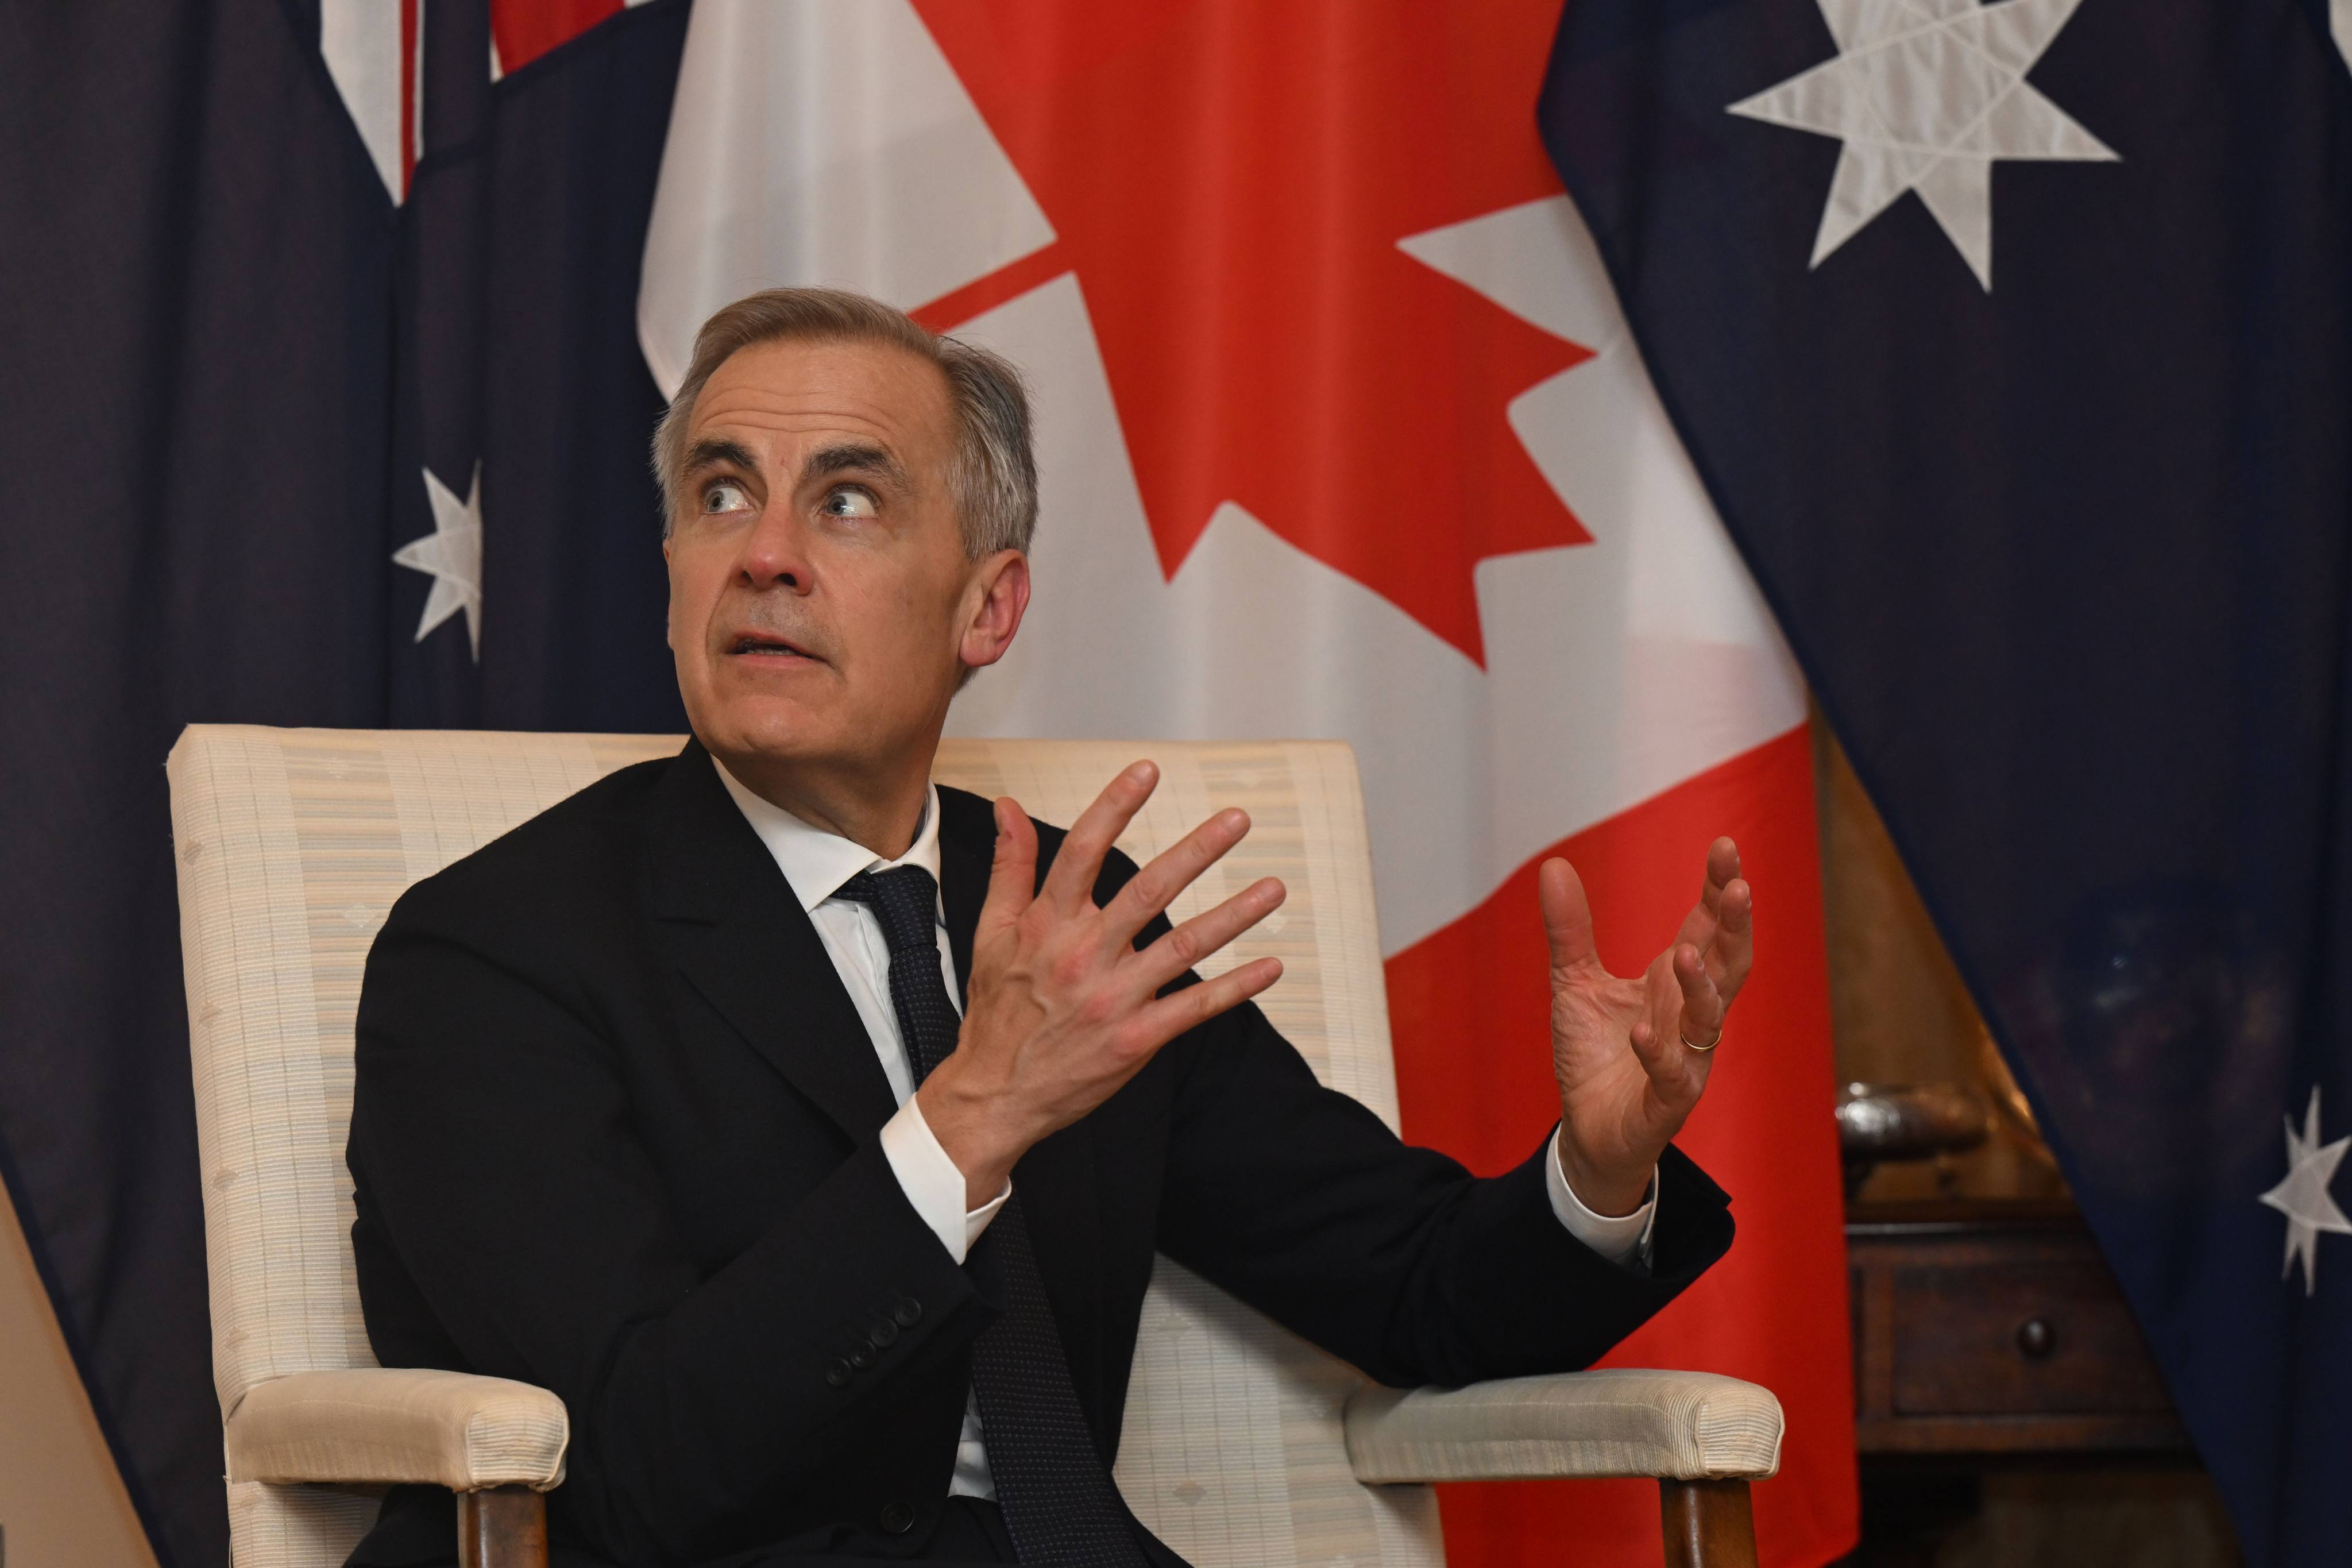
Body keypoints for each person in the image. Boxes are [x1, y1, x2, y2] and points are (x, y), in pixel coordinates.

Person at [346, 287, 1754, 1568]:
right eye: (723, 495)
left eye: (845, 504)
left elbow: (1417, 1297)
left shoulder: (1070, 921)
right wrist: (970, 1119)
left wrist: (1598, 1170)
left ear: (988, 606)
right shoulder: (489, 954)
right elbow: (640, 1472)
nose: (766, 555)